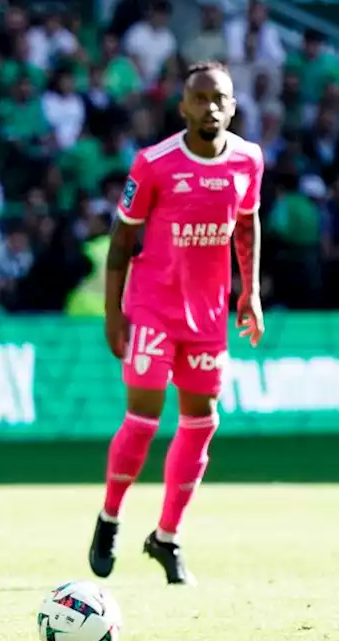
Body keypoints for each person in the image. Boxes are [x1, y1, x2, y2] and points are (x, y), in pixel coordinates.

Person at [88, 61, 264, 585]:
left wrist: (250, 292)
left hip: (208, 315)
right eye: (201, 98)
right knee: (142, 419)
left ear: (233, 106)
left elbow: (247, 226)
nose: (211, 107)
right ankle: (110, 518)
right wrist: (113, 313)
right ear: (183, 106)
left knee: (201, 422)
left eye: (221, 98)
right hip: (153, 308)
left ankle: (167, 536)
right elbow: (122, 244)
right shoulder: (154, 163)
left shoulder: (249, 160)